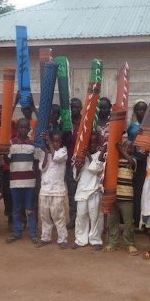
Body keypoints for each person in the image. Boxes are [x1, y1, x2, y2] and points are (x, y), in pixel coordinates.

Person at [6, 118, 42, 244]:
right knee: (16, 208)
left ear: (29, 129)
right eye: (20, 127)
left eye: (25, 127)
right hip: (15, 183)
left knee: (30, 208)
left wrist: (37, 182)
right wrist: (3, 154)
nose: (23, 129)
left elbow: (37, 165)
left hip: (29, 183)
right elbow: (7, 161)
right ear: (16, 129)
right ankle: (17, 231)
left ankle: (32, 233)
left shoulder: (33, 145)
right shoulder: (11, 144)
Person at [105, 139, 138, 255]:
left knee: (128, 223)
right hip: (113, 195)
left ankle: (130, 244)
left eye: (130, 147)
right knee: (112, 221)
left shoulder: (132, 160)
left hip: (127, 197)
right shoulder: (114, 159)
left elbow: (130, 161)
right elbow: (101, 161)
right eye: (126, 147)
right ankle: (113, 243)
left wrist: (121, 149)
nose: (129, 149)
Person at [73, 131, 105, 250]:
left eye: (93, 143)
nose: (91, 145)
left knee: (95, 216)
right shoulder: (80, 155)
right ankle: (80, 239)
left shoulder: (100, 155)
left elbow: (96, 169)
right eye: (89, 142)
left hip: (94, 190)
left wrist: (88, 155)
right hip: (82, 189)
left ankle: (95, 240)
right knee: (81, 215)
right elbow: (75, 176)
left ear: (97, 144)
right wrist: (77, 168)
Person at [36, 130, 69, 249]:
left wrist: (49, 142)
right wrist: (45, 153)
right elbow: (42, 168)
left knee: (58, 216)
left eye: (57, 141)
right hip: (45, 189)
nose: (55, 143)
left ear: (61, 142)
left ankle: (62, 239)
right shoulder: (45, 152)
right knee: (44, 215)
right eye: (53, 141)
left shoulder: (63, 151)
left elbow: (56, 158)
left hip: (57, 190)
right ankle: (45, 237)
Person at [127, 100, 147, 227]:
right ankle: (135, 220)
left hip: (148, 161)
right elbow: (129, 146)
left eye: (144, 109)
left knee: (146, 192)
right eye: (139, 109)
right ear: (135, 111)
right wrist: (137, 136)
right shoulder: (132, 126)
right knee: (136, 192)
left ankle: (144, 221)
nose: (142, 112)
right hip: (135, 162)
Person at [65, 97, 82, 229]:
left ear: (81, 108)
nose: (74, 110)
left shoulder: (86, 122)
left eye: (77, 107)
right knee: (71, 192)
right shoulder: (66, 123)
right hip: (69, 163)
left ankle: (82, 219)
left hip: (83, 163)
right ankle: (73, 218)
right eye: (72, 107)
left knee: (83, 192)